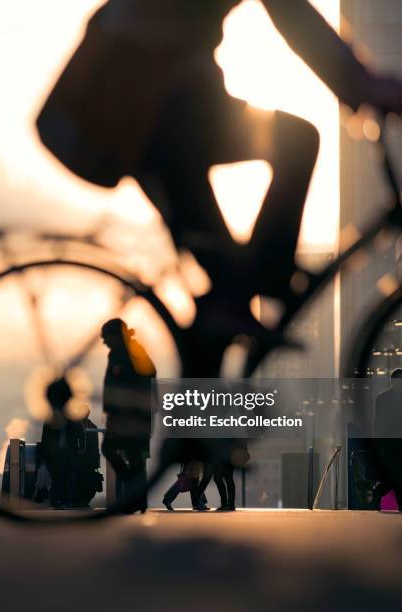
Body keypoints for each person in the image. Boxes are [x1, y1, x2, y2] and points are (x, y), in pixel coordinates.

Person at [36, 0, 402, 377]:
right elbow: (290, 11)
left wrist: (359, 84)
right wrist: (362, 85)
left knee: (224, 301)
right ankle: (270, 280)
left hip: (145, 111)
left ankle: (203, 420)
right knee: (296, 143)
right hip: (145, 111)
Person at [101, 318, 156, 513]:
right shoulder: (135, 350)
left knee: (110, 448)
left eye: (106, 337)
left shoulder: (120, 354)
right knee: (136, 459)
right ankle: (139, 497)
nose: (104, 342)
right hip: (140, 415)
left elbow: (116, 385)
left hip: (126, 415)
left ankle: (136, 493)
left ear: (115, 336)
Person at [40, 377, 86, 509]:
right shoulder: (70, 418)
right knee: (61, 478)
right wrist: (81, 448)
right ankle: (59, 502)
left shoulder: (54, 418)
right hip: (62, 452)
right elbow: (81, 433)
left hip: (63, 452)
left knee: (61, 478)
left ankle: (61, 501)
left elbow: (46, 437)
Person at [373, 368, 402, 511]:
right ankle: (380, 489)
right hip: (390, 441)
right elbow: (379, 421)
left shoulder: (383, 398)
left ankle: (380, 489)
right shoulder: (383, 399)